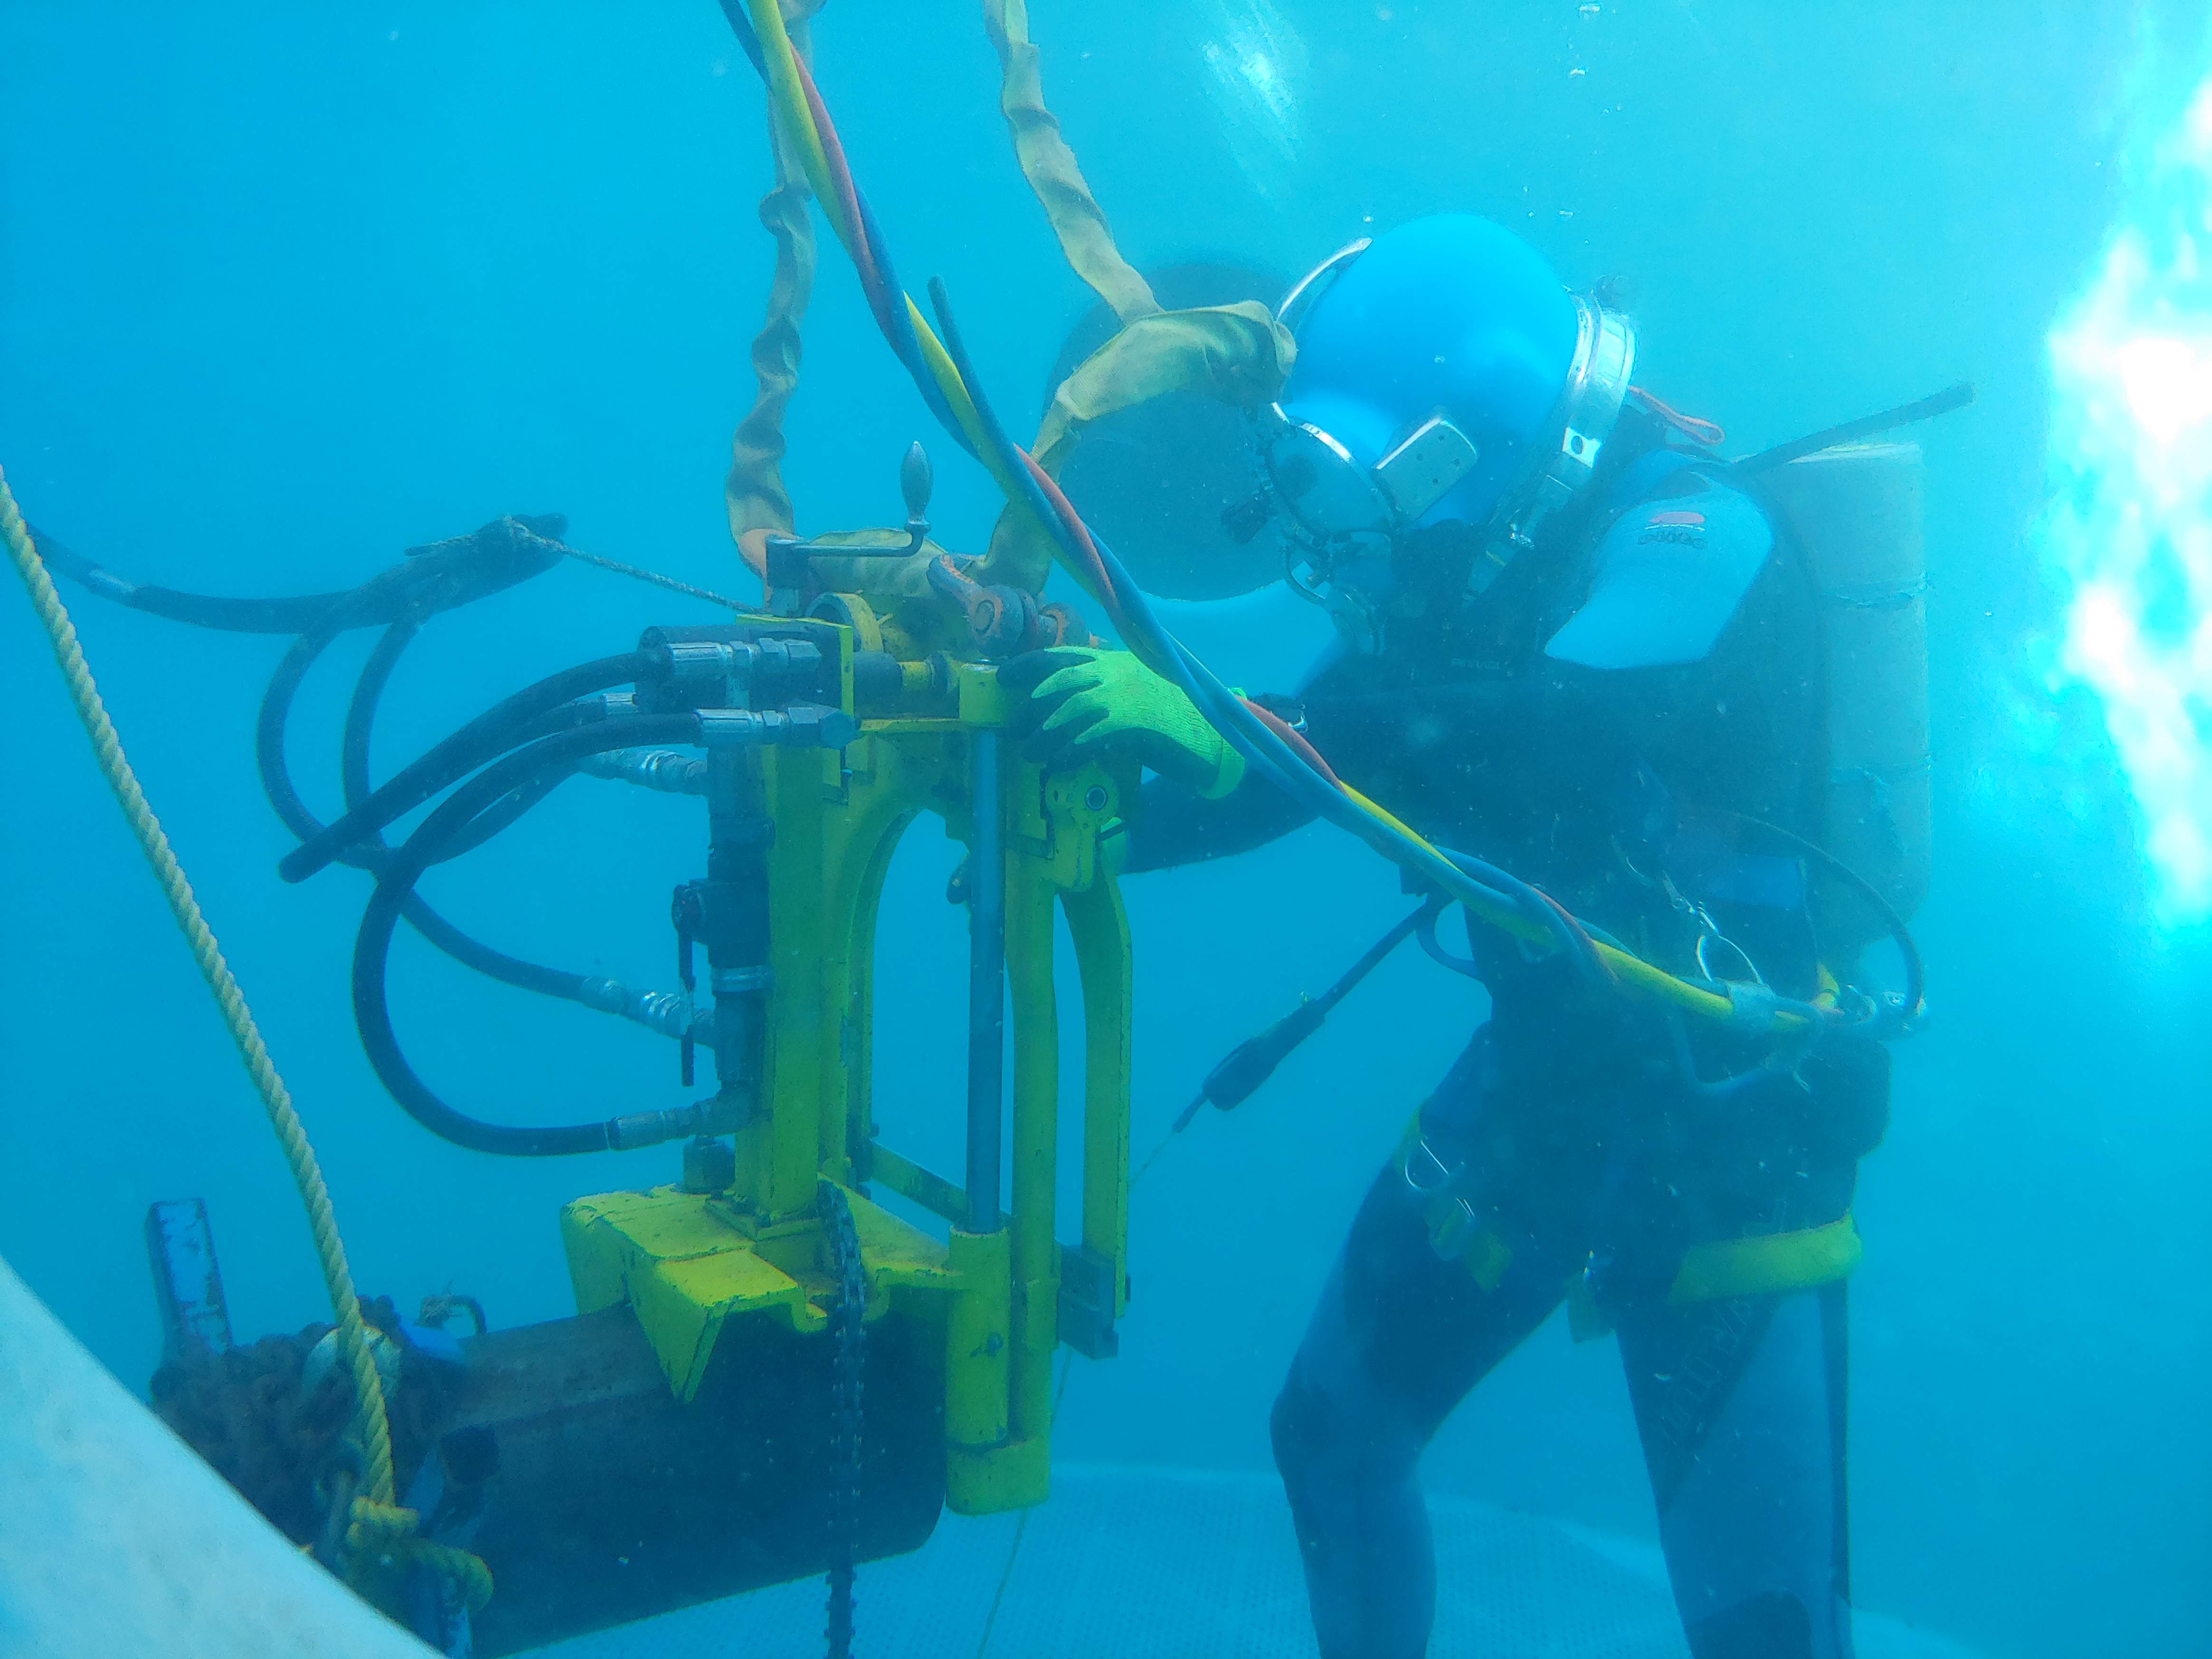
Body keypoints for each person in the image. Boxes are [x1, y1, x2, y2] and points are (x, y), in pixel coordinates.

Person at [1002, 214, 1892, 1659]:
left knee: (1769, 1636)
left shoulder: (1702, 536)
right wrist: (1054, 797)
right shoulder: (1456, 586)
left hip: (1729, 1145)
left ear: (1451, 457)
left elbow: (1554, 725)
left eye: (1365, 504)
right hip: (1540, 1102)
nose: (1347, 561)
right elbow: (1292, 772)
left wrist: (1241, 736)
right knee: (1331, 1435)